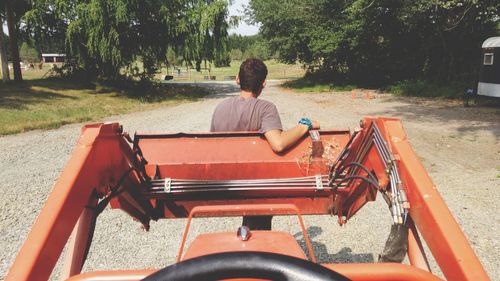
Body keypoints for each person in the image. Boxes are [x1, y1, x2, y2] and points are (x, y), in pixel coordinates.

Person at [210, 58, 320, 230]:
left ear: (237, 79)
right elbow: (278, 144)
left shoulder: (220, 108)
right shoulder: (265, 108)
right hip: (255, 183)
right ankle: (257, 244)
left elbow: (212, 148)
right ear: (264, 84)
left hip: (226, 181)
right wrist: (305, 125)